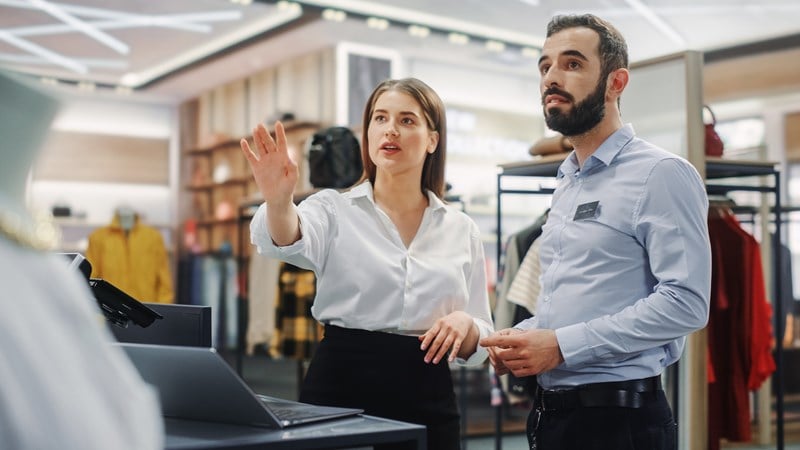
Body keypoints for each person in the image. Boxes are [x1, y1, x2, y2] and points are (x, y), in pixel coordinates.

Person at [480, 14, 711, 450]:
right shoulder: (569, 180)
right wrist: (529, 337)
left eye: (571, 64)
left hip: (620, 420)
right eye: (545, 66)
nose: (551, 77)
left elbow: (687, 303)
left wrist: (562, 346)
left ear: (615, 82)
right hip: (553, 414)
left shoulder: (661, 173)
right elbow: (581, 295)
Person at [241, 77, 493, 450]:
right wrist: (279, 202)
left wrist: (466, 324)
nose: (390, 130)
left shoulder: (461, 229)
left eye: (407, 120)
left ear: (432, 139)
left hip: (428, 392)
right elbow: (284, 239)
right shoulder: (333, 209)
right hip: (341, 386)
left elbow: (483, 331)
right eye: (380, 118)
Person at [0, 73, 163, 448]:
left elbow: (160, 274)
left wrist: (160, 302)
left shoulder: (45, 269)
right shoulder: (85, 246)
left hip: (138, 307)